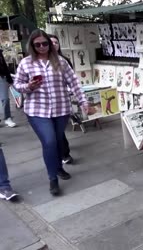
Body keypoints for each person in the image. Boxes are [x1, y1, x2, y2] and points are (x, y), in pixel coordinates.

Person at [14, 29, 88, 196]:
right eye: (37, 44)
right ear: (32, 46)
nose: (42, 47)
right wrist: (28, 86)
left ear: (50, 43)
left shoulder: (60, 61)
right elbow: (17, 85)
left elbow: (74, 82)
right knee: (49, 142)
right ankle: (52, 178)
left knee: (57, 141)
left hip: (61, 109)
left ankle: (59, 167)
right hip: (37, 110)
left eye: (45, 43)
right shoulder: (26, 63)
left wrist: (83, 101)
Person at [49, 34, 75, 165]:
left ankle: (64, 153)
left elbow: (73, 80)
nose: (54, 45)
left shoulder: (64, 61)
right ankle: (61, 155)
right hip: (44, 106)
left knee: (59, 131)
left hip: (61, 103)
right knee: (52, 134)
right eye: (51, 42)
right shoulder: (37, 63)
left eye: (56, 42)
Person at [0, 49, 16, 127]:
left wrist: (9, 79)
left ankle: (8, 118)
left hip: (1, 77)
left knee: (5, 99)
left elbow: (5, 66)